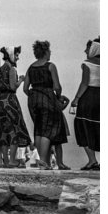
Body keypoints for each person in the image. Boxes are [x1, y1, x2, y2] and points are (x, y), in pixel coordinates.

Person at [22, 40, 71, 169]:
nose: (50, 53)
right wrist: (58, 97)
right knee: (48, 130)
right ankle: (44, 162)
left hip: (33, 100)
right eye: (49, 51)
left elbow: (25, 88)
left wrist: (35, 96)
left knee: (38, 129)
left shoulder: (31, 67)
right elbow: (57, 87)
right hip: (48, 98)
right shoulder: (50, 66)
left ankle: (41, 161)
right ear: (45, 52)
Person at [0, 46, 33, 167]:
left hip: (0, 100)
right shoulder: (12, 69)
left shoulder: (0, 69)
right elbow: (12, 87)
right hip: (9, 100)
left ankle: (5, 160)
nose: (17, 58)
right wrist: (21, 80)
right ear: (11, 55)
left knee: (4, 131)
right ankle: (12, 160)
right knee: (15, 130)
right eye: (16, 55)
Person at [70, 37, 100, 170]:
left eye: (88, 48)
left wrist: (76, 99)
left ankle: (92, 160)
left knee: (83, 126)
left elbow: (84, 83)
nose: (85, 50)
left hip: (89, 97)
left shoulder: (87, 63)